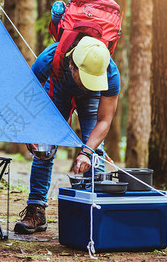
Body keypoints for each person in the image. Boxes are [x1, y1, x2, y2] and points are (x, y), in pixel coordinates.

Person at [14, 36, 120, 234]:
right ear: (72, 65)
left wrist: (87, 152)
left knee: (95, 153)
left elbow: (104, 121)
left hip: (92, 99)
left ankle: (95, 214)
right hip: (58, 89)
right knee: (43, 147)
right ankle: (36, 212)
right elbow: (28, 99)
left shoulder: (110, 73)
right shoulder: (49, 58)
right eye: (85, 78)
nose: (88, 83)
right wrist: (31, 133)